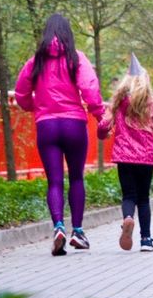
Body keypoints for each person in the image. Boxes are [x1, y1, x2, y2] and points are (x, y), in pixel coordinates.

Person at [14, 13, 105, 256]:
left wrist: (37, 107)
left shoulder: (35, 62)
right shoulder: (77, 58)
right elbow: (90, 89)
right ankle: (77, 231)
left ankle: (58, 227)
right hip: (74, 124)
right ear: (68, 33)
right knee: (76, 178)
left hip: (47, 126)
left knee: (54, 180)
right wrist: (98, 113)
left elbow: (20, 93)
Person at [97, 54, 153, 253]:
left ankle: (128, 218)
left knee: (129, 195)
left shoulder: (118, 104)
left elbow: (104, 124)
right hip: (146, 158)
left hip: (124, 157)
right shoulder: (152, 106)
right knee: (144, 198)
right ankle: (146, 239)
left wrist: (101, 134)